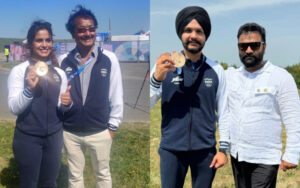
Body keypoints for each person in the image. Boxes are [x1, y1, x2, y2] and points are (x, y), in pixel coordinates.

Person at [150, 6, 229, 188]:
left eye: (199, 31)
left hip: (205, 151)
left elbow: (225, 111)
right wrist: (156, 79)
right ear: (180, 34)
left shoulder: (216, 70)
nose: (193, 36)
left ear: (205, 36)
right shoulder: (164, 65)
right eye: (188, 30)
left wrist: (223, 149)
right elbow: (148, 106)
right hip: (171, 149)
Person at [226, 22, 300, 188]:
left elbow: (294, 118)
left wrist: (292, 153)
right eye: (243, 46)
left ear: (264, 46)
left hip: (264, 158)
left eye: (254, 45)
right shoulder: (231, 76)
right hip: (237, 154)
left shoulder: (280, 77)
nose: (249, 50)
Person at [59, 5, 123, 188]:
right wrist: (64, 104)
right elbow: (59, 98)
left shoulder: (109, 59)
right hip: (70, 132)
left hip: (100, 131)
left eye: (91, 29)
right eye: (81, 30)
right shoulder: (63, 60)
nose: (87, 33)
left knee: (103, 175)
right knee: (74, 176)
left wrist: (112, 127)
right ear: (73, 33)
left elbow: (116, 95)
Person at [7, 20, 72, 188]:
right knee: (29, 183)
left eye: (48, 40)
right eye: (39, 40)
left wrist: (66, 104)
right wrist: (29, 89)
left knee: (49, 183)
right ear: (30, 43)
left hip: (54, 138)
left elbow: (60, 107)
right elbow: (14, 107)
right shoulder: (19, 71)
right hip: (28, 138)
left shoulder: (59, 73)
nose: (44, 44)